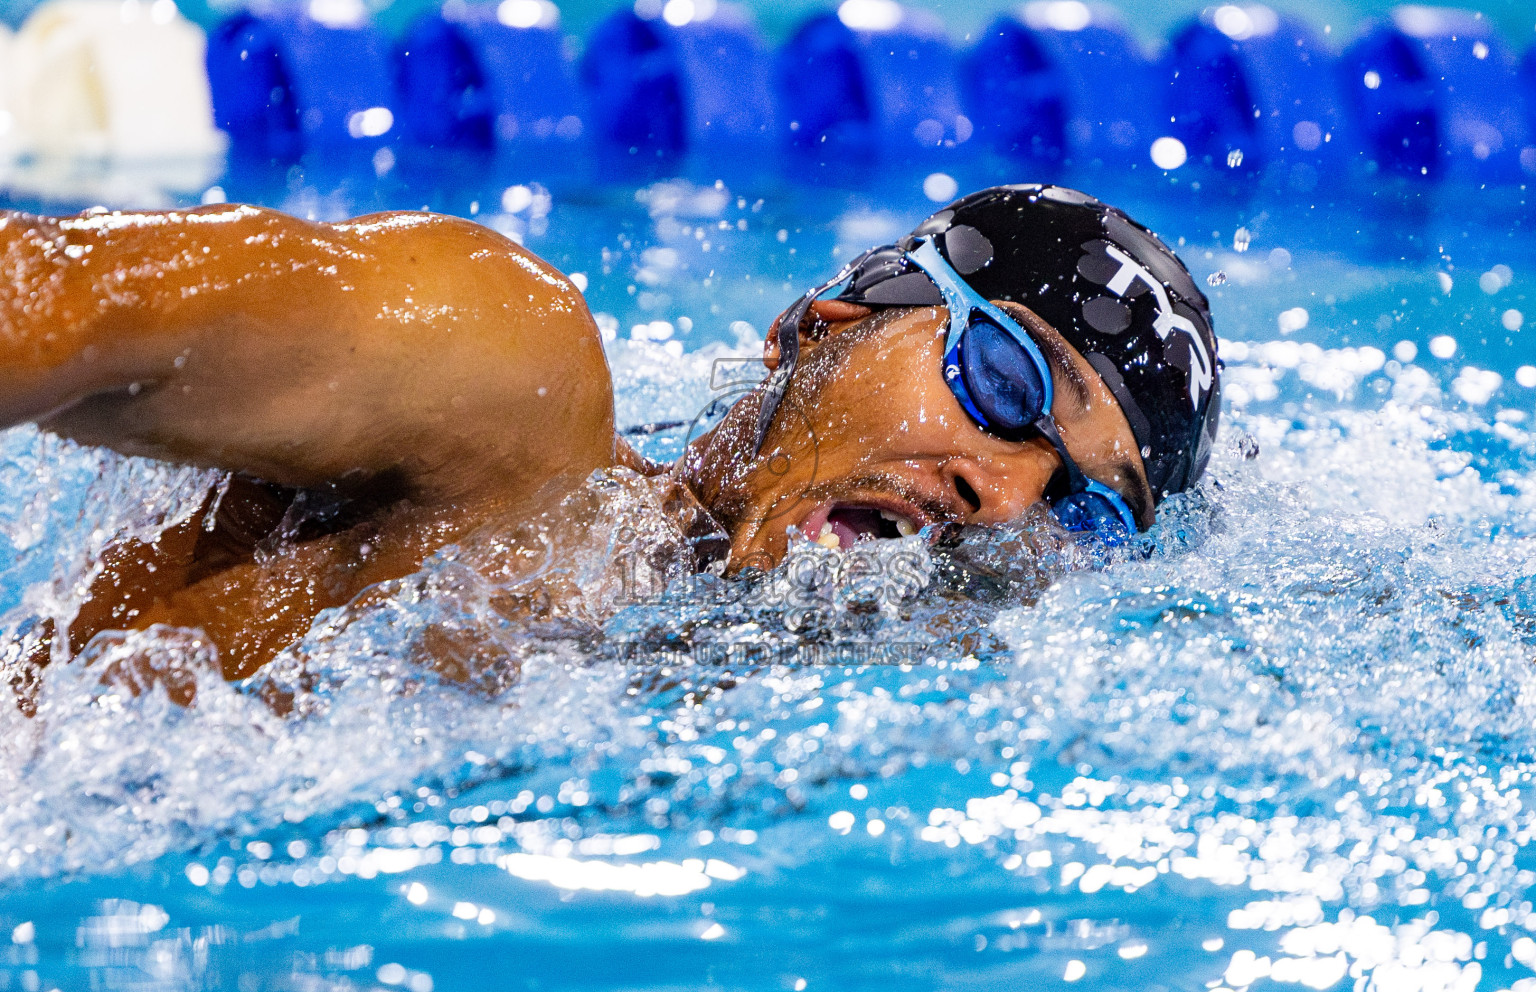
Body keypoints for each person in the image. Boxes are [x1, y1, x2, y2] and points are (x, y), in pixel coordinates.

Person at [0, 184, 1219, 701]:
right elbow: (46, 299)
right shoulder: (504, 384)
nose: (1003, 494)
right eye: (1001, 380)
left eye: (1077, 506)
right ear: (827, 323)